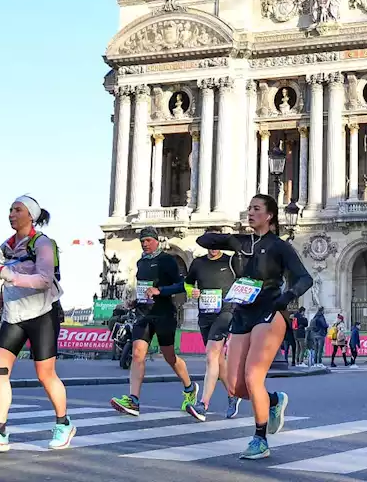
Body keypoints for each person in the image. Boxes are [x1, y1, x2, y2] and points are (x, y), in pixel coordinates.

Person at [195, 194, 314, 460]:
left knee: (253, 376)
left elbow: (305, 279)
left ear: (269, 216)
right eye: (249, 208)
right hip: (242, 313)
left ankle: (260, 439)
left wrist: (284, 298)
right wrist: (229, 239)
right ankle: (273, 400)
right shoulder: (243, 243)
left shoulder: (280, 247)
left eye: (256, 209)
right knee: (236, 387)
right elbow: (202, 240)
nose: (250, 212)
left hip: (269, 312)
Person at [0, 196, 73, 452]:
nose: (12, 214)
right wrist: (2, 294)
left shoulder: (43, 243)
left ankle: (64, 423)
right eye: (10, 210)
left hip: (41, 314)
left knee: (45, 374)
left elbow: (45, 280)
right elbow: (8, 276)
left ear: (32, 216)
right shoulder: (7, 246)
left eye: (18, 210)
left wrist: (13, 278)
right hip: (14, 315)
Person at [110, 227, 200, 419]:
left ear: (157, 241)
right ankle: (133, 400)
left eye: (148, 240)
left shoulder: (167, 260)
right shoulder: (141, 262)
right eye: (142, 241)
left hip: (164, 313)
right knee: (137, 354)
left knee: (170, 357)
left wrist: (160, 291)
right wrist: (135, 300)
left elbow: (181, 285)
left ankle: (189, 387)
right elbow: (142, 288)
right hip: (144, 313)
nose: (145, 244)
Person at [185, 242, 237, 421]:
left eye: (216, 244)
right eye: (210, 244)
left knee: (210, 355)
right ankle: (232, 395)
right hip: (205, 314)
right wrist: (193, 292)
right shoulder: (198, 263)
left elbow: (245, 281)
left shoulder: (231, 261)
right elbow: (188, 283)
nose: (213, 248)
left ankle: (203, 404)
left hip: (225, 312)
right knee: (218, 359)